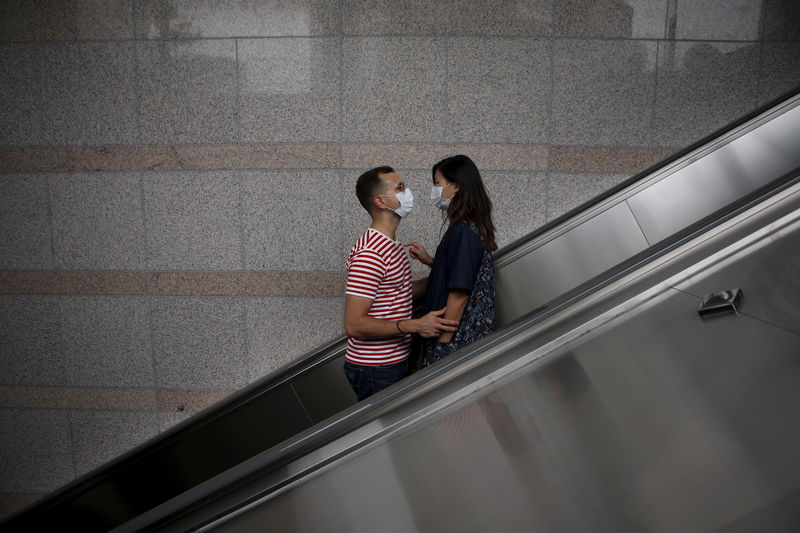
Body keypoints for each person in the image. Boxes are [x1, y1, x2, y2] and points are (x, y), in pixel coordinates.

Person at [344, 166, 460, 401]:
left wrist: (440, 274)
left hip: (393, 360)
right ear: (380, 201)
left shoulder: (391, 244)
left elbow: (400, 293)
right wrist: (415, 325)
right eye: (399, 188)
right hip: (376, 368)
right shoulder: (370, 254)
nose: (408, 191)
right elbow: (354, 324)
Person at [407, 155, 497, 367]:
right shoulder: (469, 226)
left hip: (456, 340)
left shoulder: (463, 231)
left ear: (455, 186)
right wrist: (431, 261)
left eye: (437, 182)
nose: (434, 189)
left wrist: (442, 348)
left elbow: (459, 296)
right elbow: (461, 269)